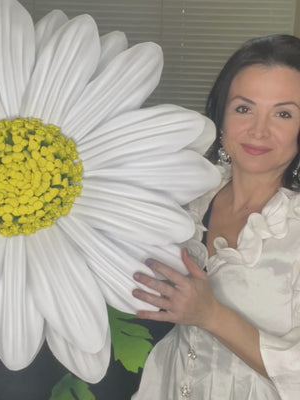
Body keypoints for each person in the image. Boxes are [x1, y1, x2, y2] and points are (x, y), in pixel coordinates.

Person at [131, 34, 300, 400]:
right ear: (221, 114)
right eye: (244, 108)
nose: (258, 130)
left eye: (283, 113)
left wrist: (211, 315)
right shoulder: (184, 198)